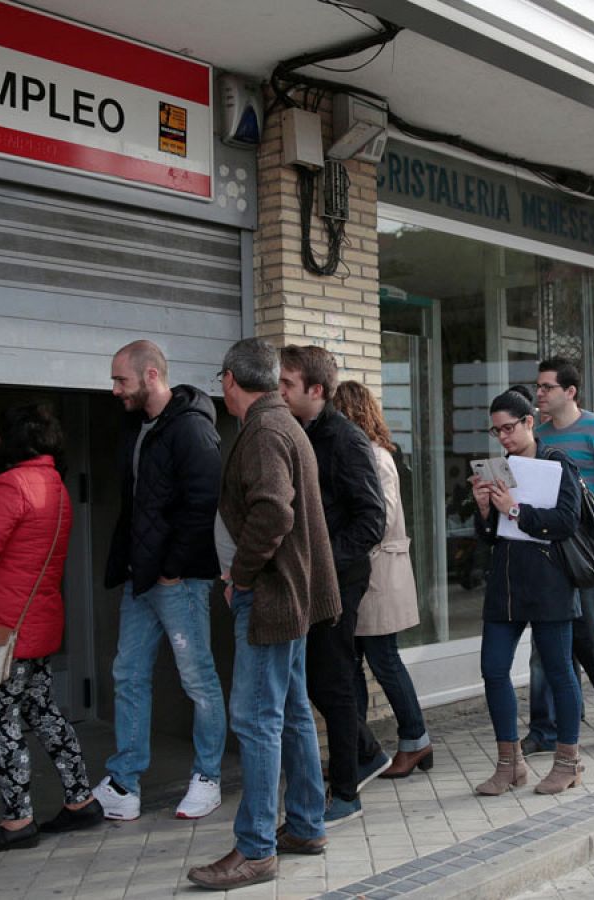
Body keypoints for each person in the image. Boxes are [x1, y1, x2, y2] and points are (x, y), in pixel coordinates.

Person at [186, 338, 337, 891]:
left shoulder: (264, 431)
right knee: (291, 711)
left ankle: (256, 850)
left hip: (272, 595)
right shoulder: (282, 424)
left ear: (229, 380)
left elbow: (273, 510)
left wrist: (242, 575)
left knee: (255, 718)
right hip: (290, 595)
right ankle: (305, 823)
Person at [0, 404, 103, 852]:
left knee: (0, 720)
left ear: (11, 440)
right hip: (36, 622)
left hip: (3, 629)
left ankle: (17, 821)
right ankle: (80, 800)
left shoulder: (9, 485)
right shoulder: (54, 483)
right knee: (43, 711)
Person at [97, 340, 226, 823]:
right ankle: (124, 784)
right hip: (140, 580)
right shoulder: (138, 426)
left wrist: (172, 569)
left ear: (151, 376)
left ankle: (208, 777)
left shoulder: (191, 429)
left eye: (121, 380)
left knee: (198, 680)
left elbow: (203, 504)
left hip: (179, 581)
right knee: (128, 674)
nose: (114, 390)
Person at [277, 345, 388, 825]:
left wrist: (322, 562)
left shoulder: (344, 440)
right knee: (320, 684)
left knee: (333, 682)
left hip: (338, 580)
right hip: (308, 579)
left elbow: (371, 520)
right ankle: (364, 751)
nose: (278, 392)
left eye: (286, 384)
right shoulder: (298, 432)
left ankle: (346, 790)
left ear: (315, 390)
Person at [469, 386, 584, 796]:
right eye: (496, 431)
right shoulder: (500, 468)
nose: (503, 438)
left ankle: (568, 762)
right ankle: (510, 765)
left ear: (530, 423)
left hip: (550, 582)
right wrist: (484, 509)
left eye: (509, 428)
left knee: (558, 672)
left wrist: (514, 509)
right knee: (494, 669)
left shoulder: (557, 463)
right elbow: (490, 537)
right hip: (505, 584)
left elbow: (568, 521)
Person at [523, 358, 594, 755]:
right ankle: (546, 729)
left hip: (590, 557)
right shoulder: (536, 435)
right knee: (545, 648)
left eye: (546, 387)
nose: (539, 394)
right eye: (538, 387)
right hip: (548, 558)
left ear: (569, 392)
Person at [334, 380, 434, 778]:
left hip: (377, 574)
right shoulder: (369, 455)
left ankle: (415, 740)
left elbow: (379, 519)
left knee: (383, 658)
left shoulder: (374, 457)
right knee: (355, 661)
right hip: (368, 573)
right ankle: (360, 750)